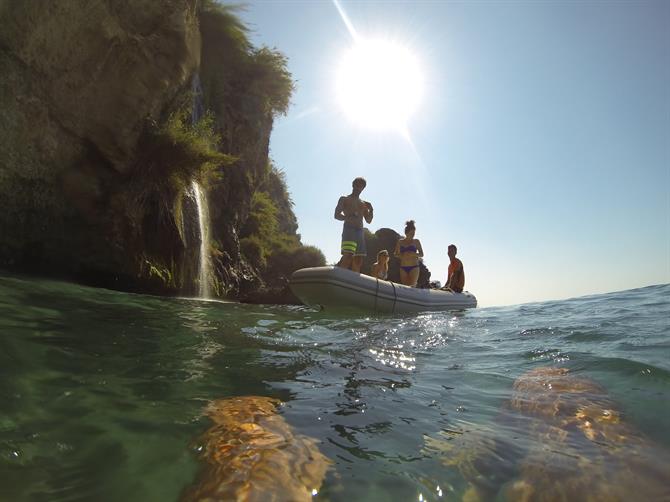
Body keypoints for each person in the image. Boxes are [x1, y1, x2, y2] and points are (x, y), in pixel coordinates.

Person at [334, 177, 373, 272]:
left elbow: (368, 220)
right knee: (348, 256)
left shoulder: (363, 203)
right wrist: (348, 217)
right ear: (353, 185)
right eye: (357, 185)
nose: (359, 188)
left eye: (361, 186)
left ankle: (354, 280)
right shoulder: (344, 199)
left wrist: (371, 209)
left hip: (360, 231)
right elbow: (336, 215)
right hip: (349, 229)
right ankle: (341, 275)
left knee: (358, 259)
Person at [394, 220, 424, 287]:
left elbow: (422, 254)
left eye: (414, 233)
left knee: (411, 288)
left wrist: (414, 254)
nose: (413, 235)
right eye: (411, 233)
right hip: (403, 267)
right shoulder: (400, 242)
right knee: (405, 287)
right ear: (406, 233)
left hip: (414, 267)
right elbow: (395, 254)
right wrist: (402, 255)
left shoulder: (416, 241)